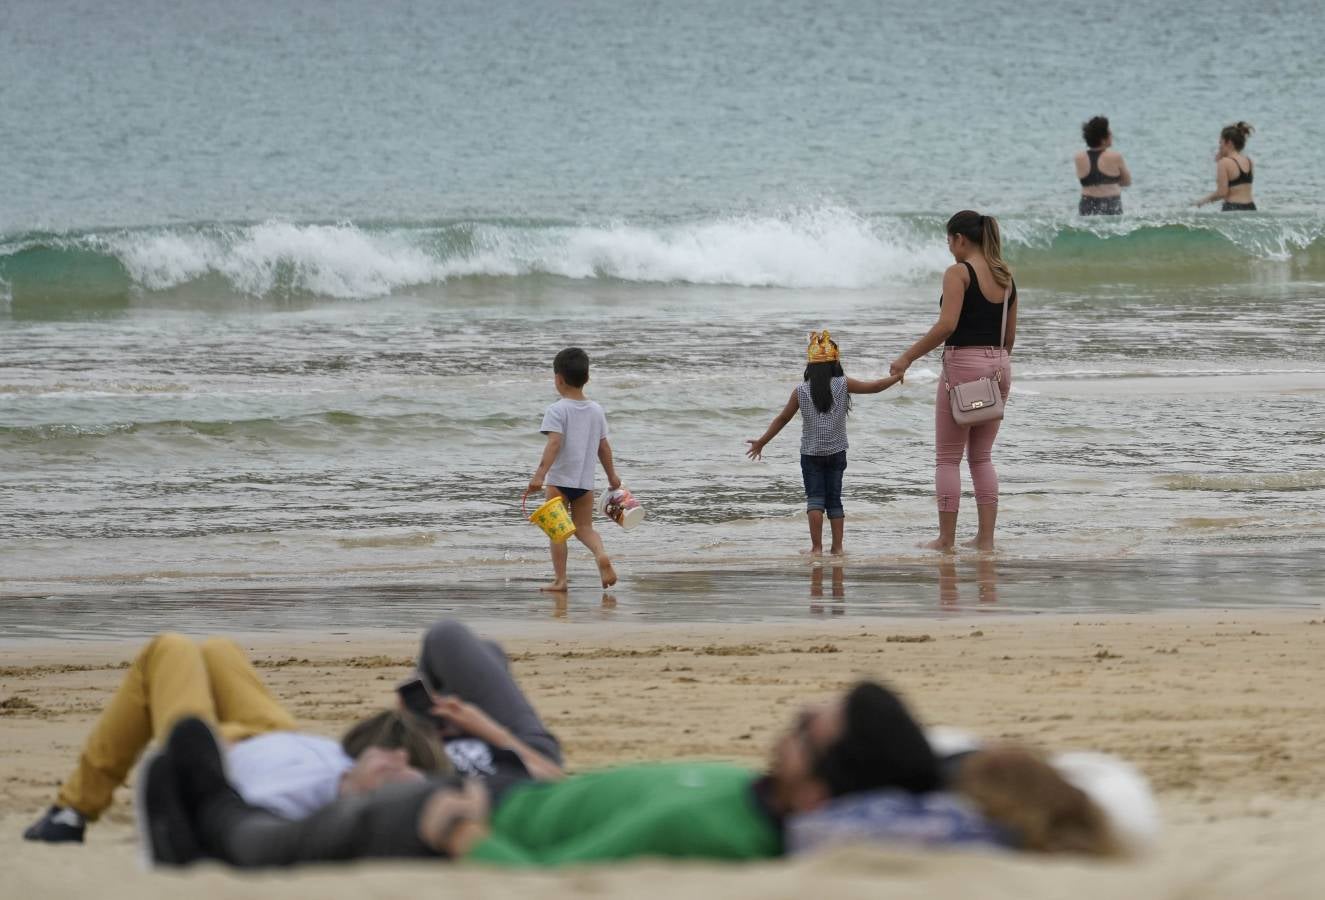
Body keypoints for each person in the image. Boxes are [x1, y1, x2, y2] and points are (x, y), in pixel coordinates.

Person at [137, 681, 946, 867]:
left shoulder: (719, 830)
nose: (797, 714)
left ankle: (214, 829)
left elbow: (556, 884)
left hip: (468, 816)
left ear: (823, 783)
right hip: (511, 792)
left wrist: (459, 830)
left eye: (811, 728)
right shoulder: (757, 796)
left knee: (300, 835)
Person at [23, 619, 560, 843]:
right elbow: (551, 778)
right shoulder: (460, 790)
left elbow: (241, 824)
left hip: (222, 755)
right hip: (287, 737)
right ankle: (71, 809)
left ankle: (73, 810)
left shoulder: (348, 814)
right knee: (219, 651)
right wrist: (425, 733)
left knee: (174, 650)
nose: (391, 762)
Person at [890, 211, 1017, 552]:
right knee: (982, 458)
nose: (949, 247)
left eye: (949, 240)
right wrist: (992, 366)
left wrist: (907, 357)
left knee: (948, 459)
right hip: (1000, 366)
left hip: (963, 365)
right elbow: (1009, 337)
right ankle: (985, 540)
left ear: (961, 238)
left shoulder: (958, 273)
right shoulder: (1006, 278)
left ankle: (946, 540)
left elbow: (947, 325)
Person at [745, 331, 903, 556]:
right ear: (835, 363)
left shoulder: (800, 391)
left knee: (815, 500)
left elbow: (782, 419)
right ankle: (837, 548)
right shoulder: (843, 384)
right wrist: (897, 377)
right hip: (837, 452)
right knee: (835, 500)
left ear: (810, 366)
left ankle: (816, 548)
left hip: (810, 454)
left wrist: (762, 441)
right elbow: (875, 386)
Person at [526, 347, 622, 592]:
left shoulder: (557, 410)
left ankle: (560, 580)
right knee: (585, 528)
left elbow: (554, 443)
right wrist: (612, 476)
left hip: (559, 481)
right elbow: (603, 447)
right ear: (587, 378)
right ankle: (600, 554)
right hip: (585, 483)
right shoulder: (596, 410)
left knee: (557, 532)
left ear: (558, 379)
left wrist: (539, 475)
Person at [1074, 116, 1131, 216]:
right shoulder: (1115, 156)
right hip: (1110, 203)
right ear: (1103, 139)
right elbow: (1127, 181)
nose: (1112, 135)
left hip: (1087, 203)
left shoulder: (1078, 158)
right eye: (1109, 133)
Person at [1196, 121, 1256, 211]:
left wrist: (1203, 201)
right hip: (1251, 207)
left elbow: (1222, 192)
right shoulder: (1249, 161)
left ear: (1229, 143)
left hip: (1233, 208)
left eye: (1221, 143)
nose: (1219, 146)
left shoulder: (1224, 163)